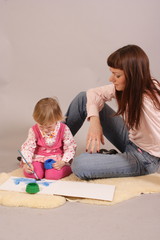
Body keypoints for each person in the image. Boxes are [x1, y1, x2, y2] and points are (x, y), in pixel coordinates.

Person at [65, 44, 160, 180]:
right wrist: (94, 121)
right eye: (112, 73)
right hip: (131, 139)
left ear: (133, 75)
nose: (111, 79)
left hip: (144, 158)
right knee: (83, 98)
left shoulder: (146, 102)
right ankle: (54, 146)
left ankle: (113, 161)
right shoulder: (131, 87)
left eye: (117, 75)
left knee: (80, 165)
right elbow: (92, 93)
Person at [20, 97, 77, 180]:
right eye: (41, 126)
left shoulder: (64, 129)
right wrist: (27, 163)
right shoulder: (34, 130)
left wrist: (63, 162)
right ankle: (39, 169)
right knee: (34, 174)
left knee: (52, 176)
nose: (45, 130)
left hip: (57, 159)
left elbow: (70, 147)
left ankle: (67, 168)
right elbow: (28, 147)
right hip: (38, 158)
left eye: (49, 127)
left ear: (57, 119)